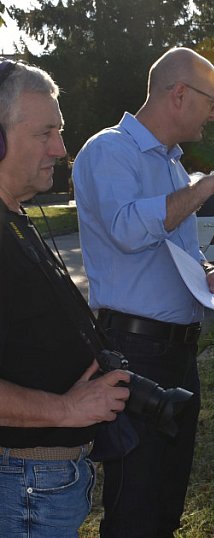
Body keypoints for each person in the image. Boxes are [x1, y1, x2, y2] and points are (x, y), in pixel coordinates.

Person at [71, 47, 214, 537]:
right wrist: (206, 186)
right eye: (213, 100)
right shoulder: (108, 150)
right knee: (136, 508)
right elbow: (125, 229)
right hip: (134, 352)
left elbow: (175, 244)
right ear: (179, 94)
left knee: (165, 502)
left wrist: (205, 268)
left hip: (177, 352)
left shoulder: (170, 165)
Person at [0, 59, 131, 536]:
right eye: (44, 133)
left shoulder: (14, 220)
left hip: (43, 480)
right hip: (21, 485)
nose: (60, 148)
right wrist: (65, 410)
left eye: (61, 131)